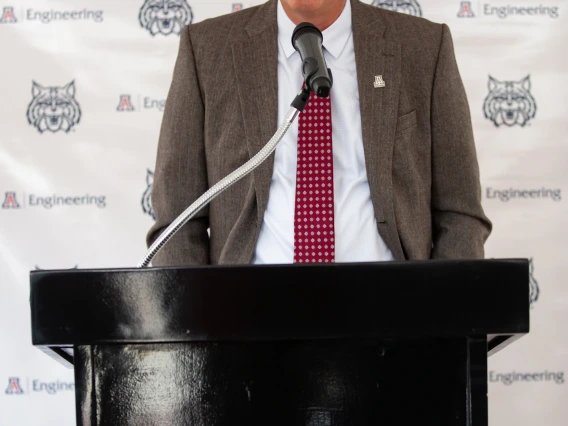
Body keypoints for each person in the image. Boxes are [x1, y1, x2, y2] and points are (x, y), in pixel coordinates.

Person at [146, 0, 492, 266]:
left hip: (391, 322)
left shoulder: (423, 48)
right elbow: (177, 223)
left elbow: (459, 212)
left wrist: (443, 323)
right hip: (249, 326)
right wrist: (197, 336)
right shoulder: (207, 50)